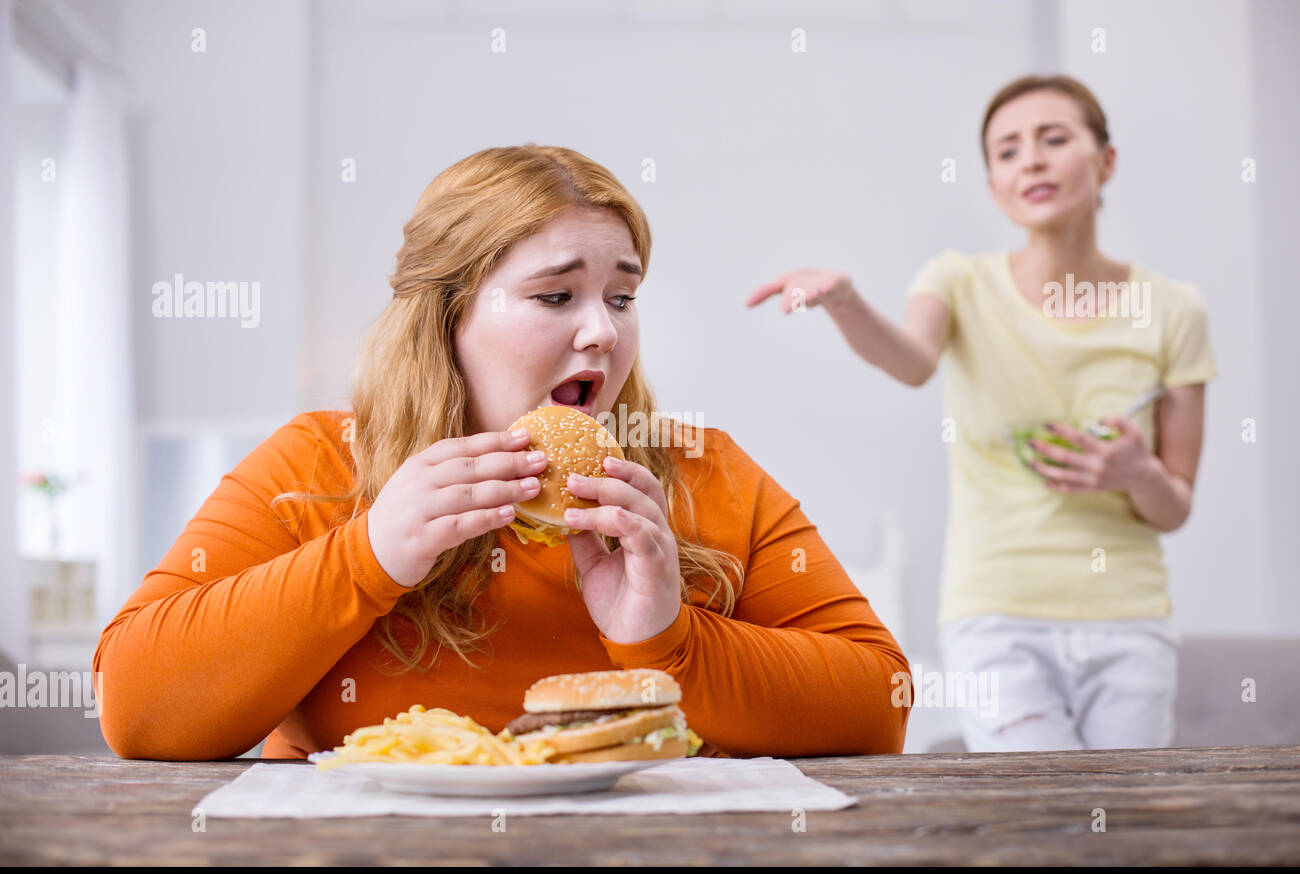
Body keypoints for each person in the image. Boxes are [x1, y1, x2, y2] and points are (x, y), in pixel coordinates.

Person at [94, 145, 912, 761]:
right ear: (445, 318)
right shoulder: (319, 463)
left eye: (622, 297)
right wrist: (365, 557)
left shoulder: (701, 471)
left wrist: (669, 641)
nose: (603, 331)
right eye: (555, 296)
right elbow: (136, 709)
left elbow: (882, 705)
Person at [746, 75, 1216, 752]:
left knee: (1127, 832)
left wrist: (1136, 472)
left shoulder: (1175, 309)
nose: (1031, 160)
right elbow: (911, 360)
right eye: (1008, 151)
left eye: (1054, 140)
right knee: (1036, 820)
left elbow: (1175, 505)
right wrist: (844, 302)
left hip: (1130, 620)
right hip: (995, 616)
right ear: (996, 184)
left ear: (1105, 161)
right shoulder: (958, 281)